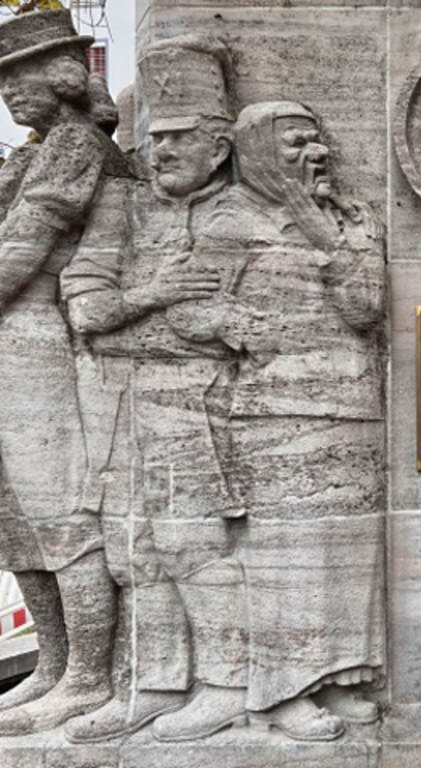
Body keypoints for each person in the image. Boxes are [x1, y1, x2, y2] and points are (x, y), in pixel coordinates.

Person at [59, 34, 239, 742]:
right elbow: (87, 310)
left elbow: (216, 332)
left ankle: (225, 685)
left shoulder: (237, 214)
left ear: (219, 147)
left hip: (199, 411)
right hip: (119, 409)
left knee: (196, 551)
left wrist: (126, 320)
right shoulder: (120, 207)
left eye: (176, 138)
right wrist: (157, 293)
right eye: (153, 137)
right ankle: (154, 686)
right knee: (133, 556)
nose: (157, 150)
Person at [194, 100, 387, 740]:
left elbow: (366, 309)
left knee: (346, 550)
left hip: (353, 405)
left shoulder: (349, 220)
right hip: (273, 412)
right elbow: (188, 312)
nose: (318, 153)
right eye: (296, 143)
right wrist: (234, 324)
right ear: (253, 153)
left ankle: (334, 678)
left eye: (318, 140)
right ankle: (281, 693)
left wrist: (320, 231)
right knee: (289, 557)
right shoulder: (227, 220)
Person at [0, 9, 132, 736]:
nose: (11, 93)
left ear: (60, 73)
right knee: (17, 524)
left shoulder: (76, 148)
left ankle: (87, 676)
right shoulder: (30, 155)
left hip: (43, 339)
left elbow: (20, 254)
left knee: (61, 513)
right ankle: (52, 666)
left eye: (20, 75)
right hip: (8, 342)